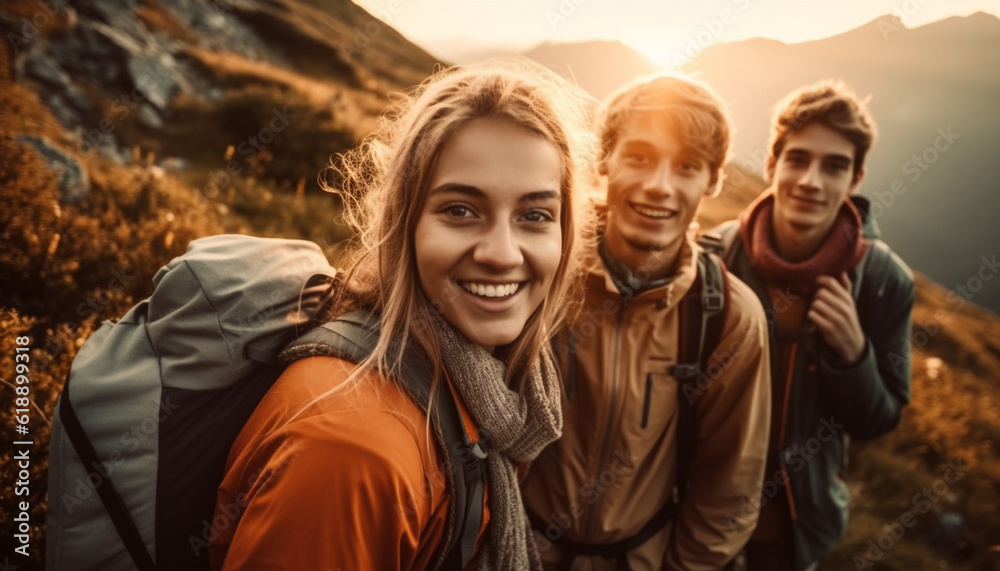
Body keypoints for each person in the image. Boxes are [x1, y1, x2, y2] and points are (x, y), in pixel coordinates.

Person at [208, 60, 600, 571]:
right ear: (404, 222)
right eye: (460, 209)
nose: (503, 253)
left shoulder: (476, 386)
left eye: (535, 215)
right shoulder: (352, 448)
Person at [521, 73, 772, 570]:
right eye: (639, 157)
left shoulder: (727, 318)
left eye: (687, 166)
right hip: (514, 552)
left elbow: (729, 492)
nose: (659, 186)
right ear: (605, 161)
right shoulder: (542, 266)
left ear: (712, 181)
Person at [715, 80, 915, 570]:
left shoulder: (884, 281)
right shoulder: (715, 257)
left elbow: (877, 421)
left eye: (834, 166)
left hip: (796, 530)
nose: (811, 180)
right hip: (698, 511)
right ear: (772, 164)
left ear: (856, 178)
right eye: (798, 159)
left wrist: (852, 356)